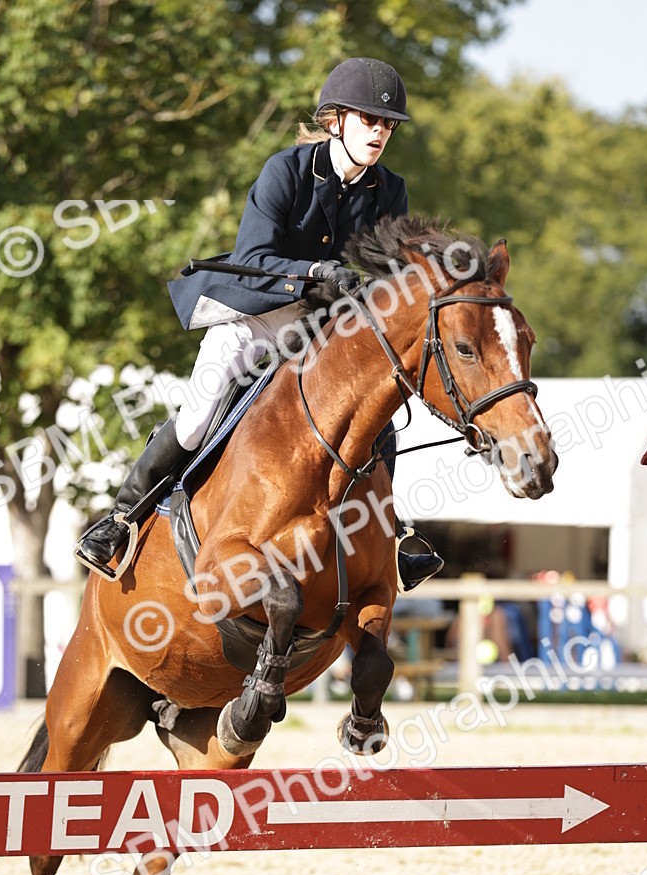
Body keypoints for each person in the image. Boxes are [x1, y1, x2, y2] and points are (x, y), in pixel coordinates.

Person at [76, 57, 441, 589]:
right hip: (256, 313)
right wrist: (314, 271)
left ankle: (391, 536)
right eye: (369, 120)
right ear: (336, 120)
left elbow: (390, 269)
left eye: (387, 125)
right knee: (200, 417)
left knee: (374, 406)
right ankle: (120, 518)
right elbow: (253, 259)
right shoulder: (285, 171)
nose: (380, 132)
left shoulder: (389, 189)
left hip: (323, 327)